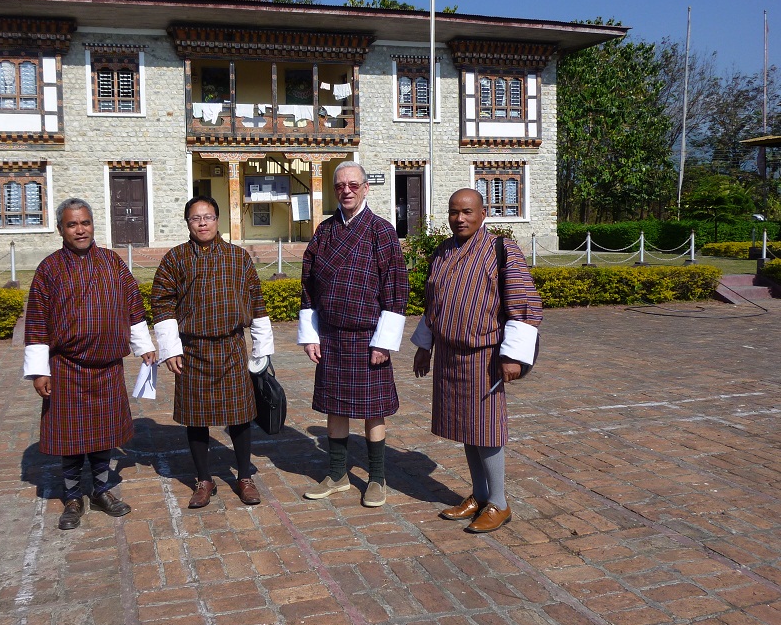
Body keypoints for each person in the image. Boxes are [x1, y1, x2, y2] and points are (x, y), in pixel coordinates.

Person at [412, 188, 542, 533]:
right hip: (448, 355)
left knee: (487, 428)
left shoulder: (502, 249)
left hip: (484, 355)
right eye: (454, 212)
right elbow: (433, 304)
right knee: (465, 427)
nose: (460, 219)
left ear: (483, 214)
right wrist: (425, 346)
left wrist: (512, 356)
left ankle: (499, 502)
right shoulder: (443, 251)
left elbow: (523, 302)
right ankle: (480, 495)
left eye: (467, 212)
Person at [23, 198, 157, 530]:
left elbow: (133, 305)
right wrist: (39, 371)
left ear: (93, 225)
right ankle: (72, 497)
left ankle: (100, 491)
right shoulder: (49, 269)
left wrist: (144, 346)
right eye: (72, 224)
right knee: (70, 438)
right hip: (66, 367)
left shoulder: (112, 262)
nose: (80, 230)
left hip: (108, 366)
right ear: (61, 229)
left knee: (103, 435)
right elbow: (37, 321)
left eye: (85, 223)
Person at [151, 196, 275, 509]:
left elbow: (256, 299)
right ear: (188, 223)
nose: (202, 223)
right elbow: (162, 303)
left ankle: (244, 476)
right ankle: (204, 479)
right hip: (192, 350)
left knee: (241, 416)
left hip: (231, 347)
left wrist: (261, 347)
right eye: (196, 218)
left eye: (208, 216)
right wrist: (170, 349)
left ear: (218, 220)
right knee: (196, 418)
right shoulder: (175, 259)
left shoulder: (238, 257)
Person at [299, 161, 408, 507]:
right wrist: (310, 334)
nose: (346, 191)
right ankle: (337, 474)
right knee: (334, 407)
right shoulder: (325, 231)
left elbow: (396, 287)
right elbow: (308, 284)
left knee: (373, 410)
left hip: (368, 337)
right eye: (340, 186)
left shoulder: (381, 231)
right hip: (331, 336)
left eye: (353, 185)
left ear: (365, 188)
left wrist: (383, 342)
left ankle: (377, 478)